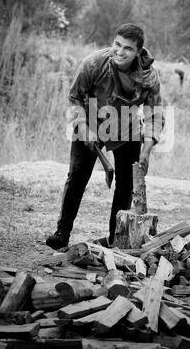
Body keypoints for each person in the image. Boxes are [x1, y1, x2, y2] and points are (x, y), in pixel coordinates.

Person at [46, 23, 165, 250]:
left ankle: (114, 239)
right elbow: (74, 98)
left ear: (138, 52)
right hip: (90, 119)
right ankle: (62, 232)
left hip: (126, 125)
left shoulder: (149, 78)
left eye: (127, 49)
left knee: (126, 184)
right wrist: (82, 126)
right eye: (117, 44)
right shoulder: (94, 63)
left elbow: (155, 114)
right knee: (78, 174)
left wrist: (147, 150)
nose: (120, 52)